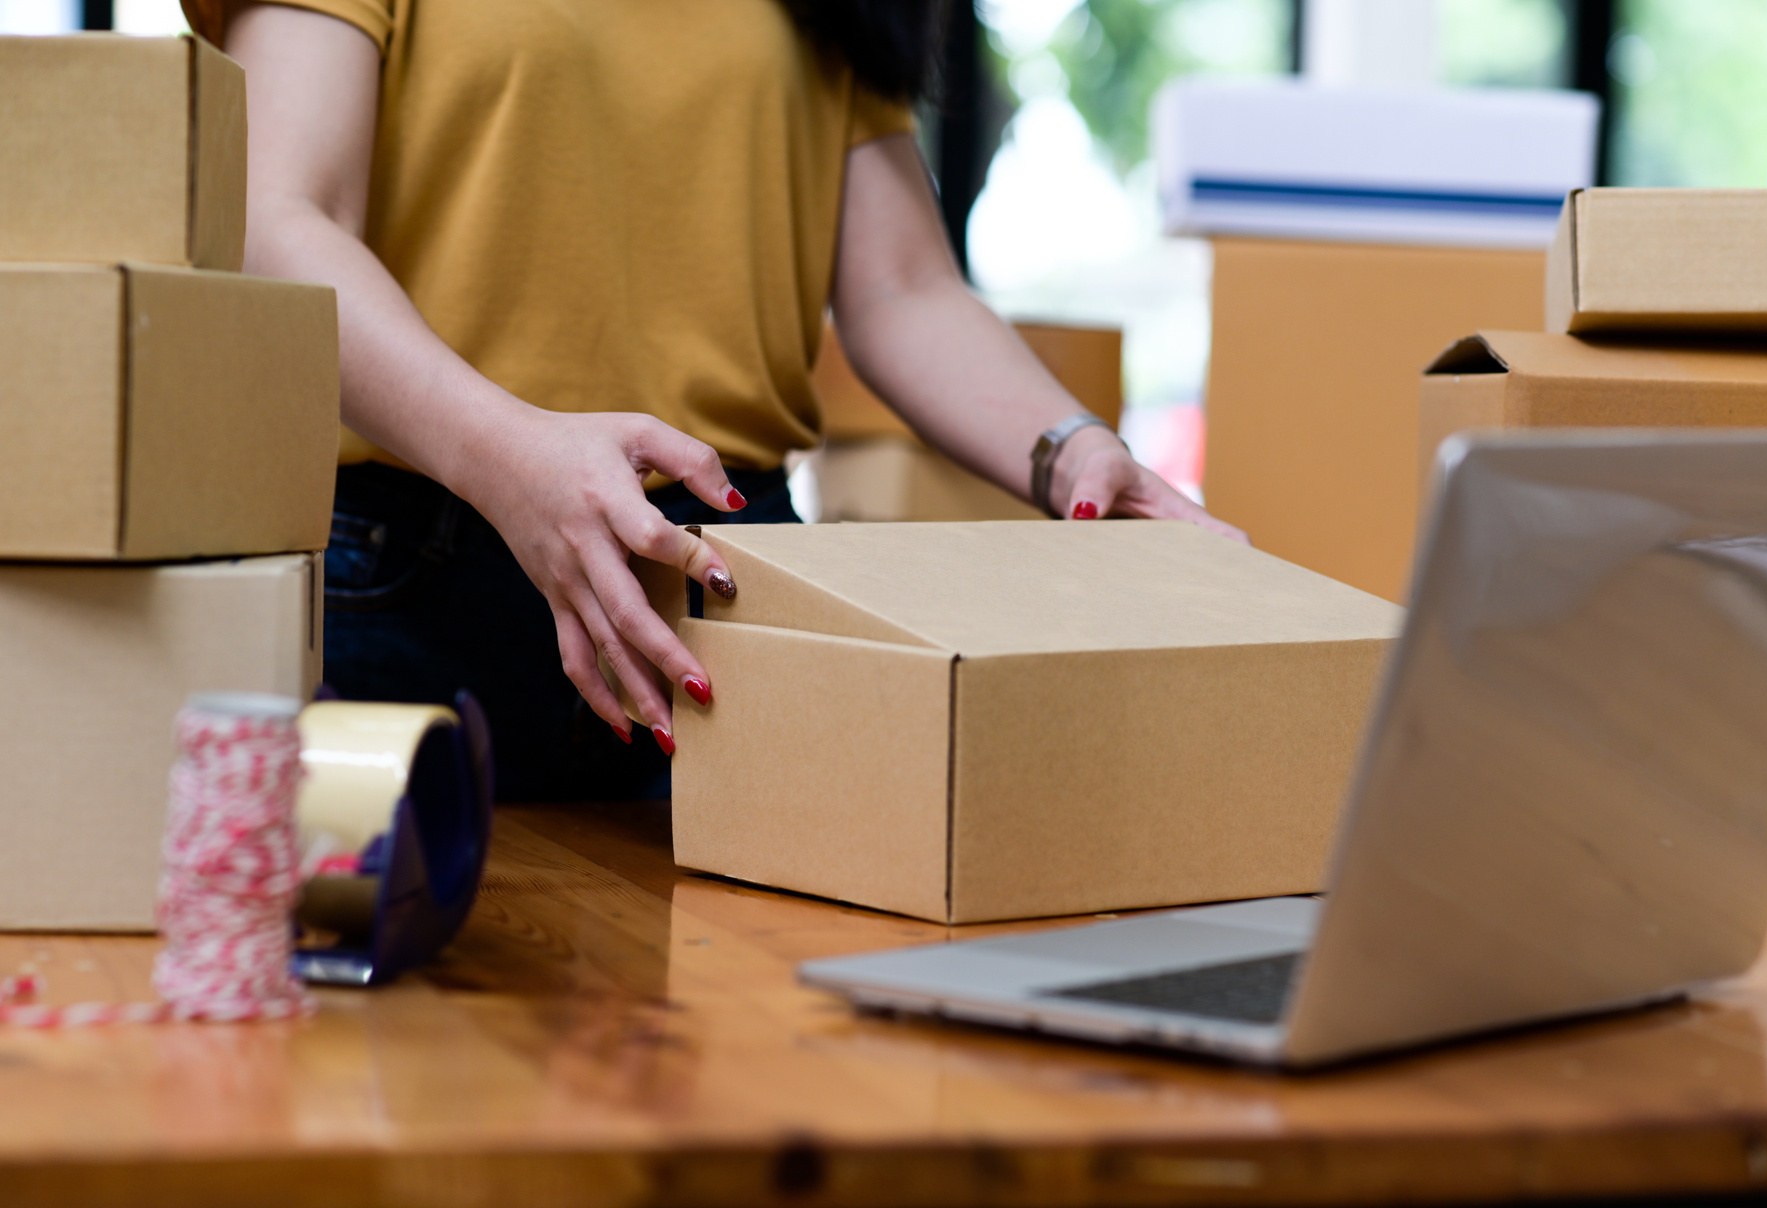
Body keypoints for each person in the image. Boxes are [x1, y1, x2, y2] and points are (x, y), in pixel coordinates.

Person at [183, 0, 1247, 801]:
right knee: (373, 1065)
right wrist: (509, 457)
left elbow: (900, 288)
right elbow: (277, 220)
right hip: (416, 578)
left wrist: (1070, 449)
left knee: (745, 1047)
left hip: (726, 593)